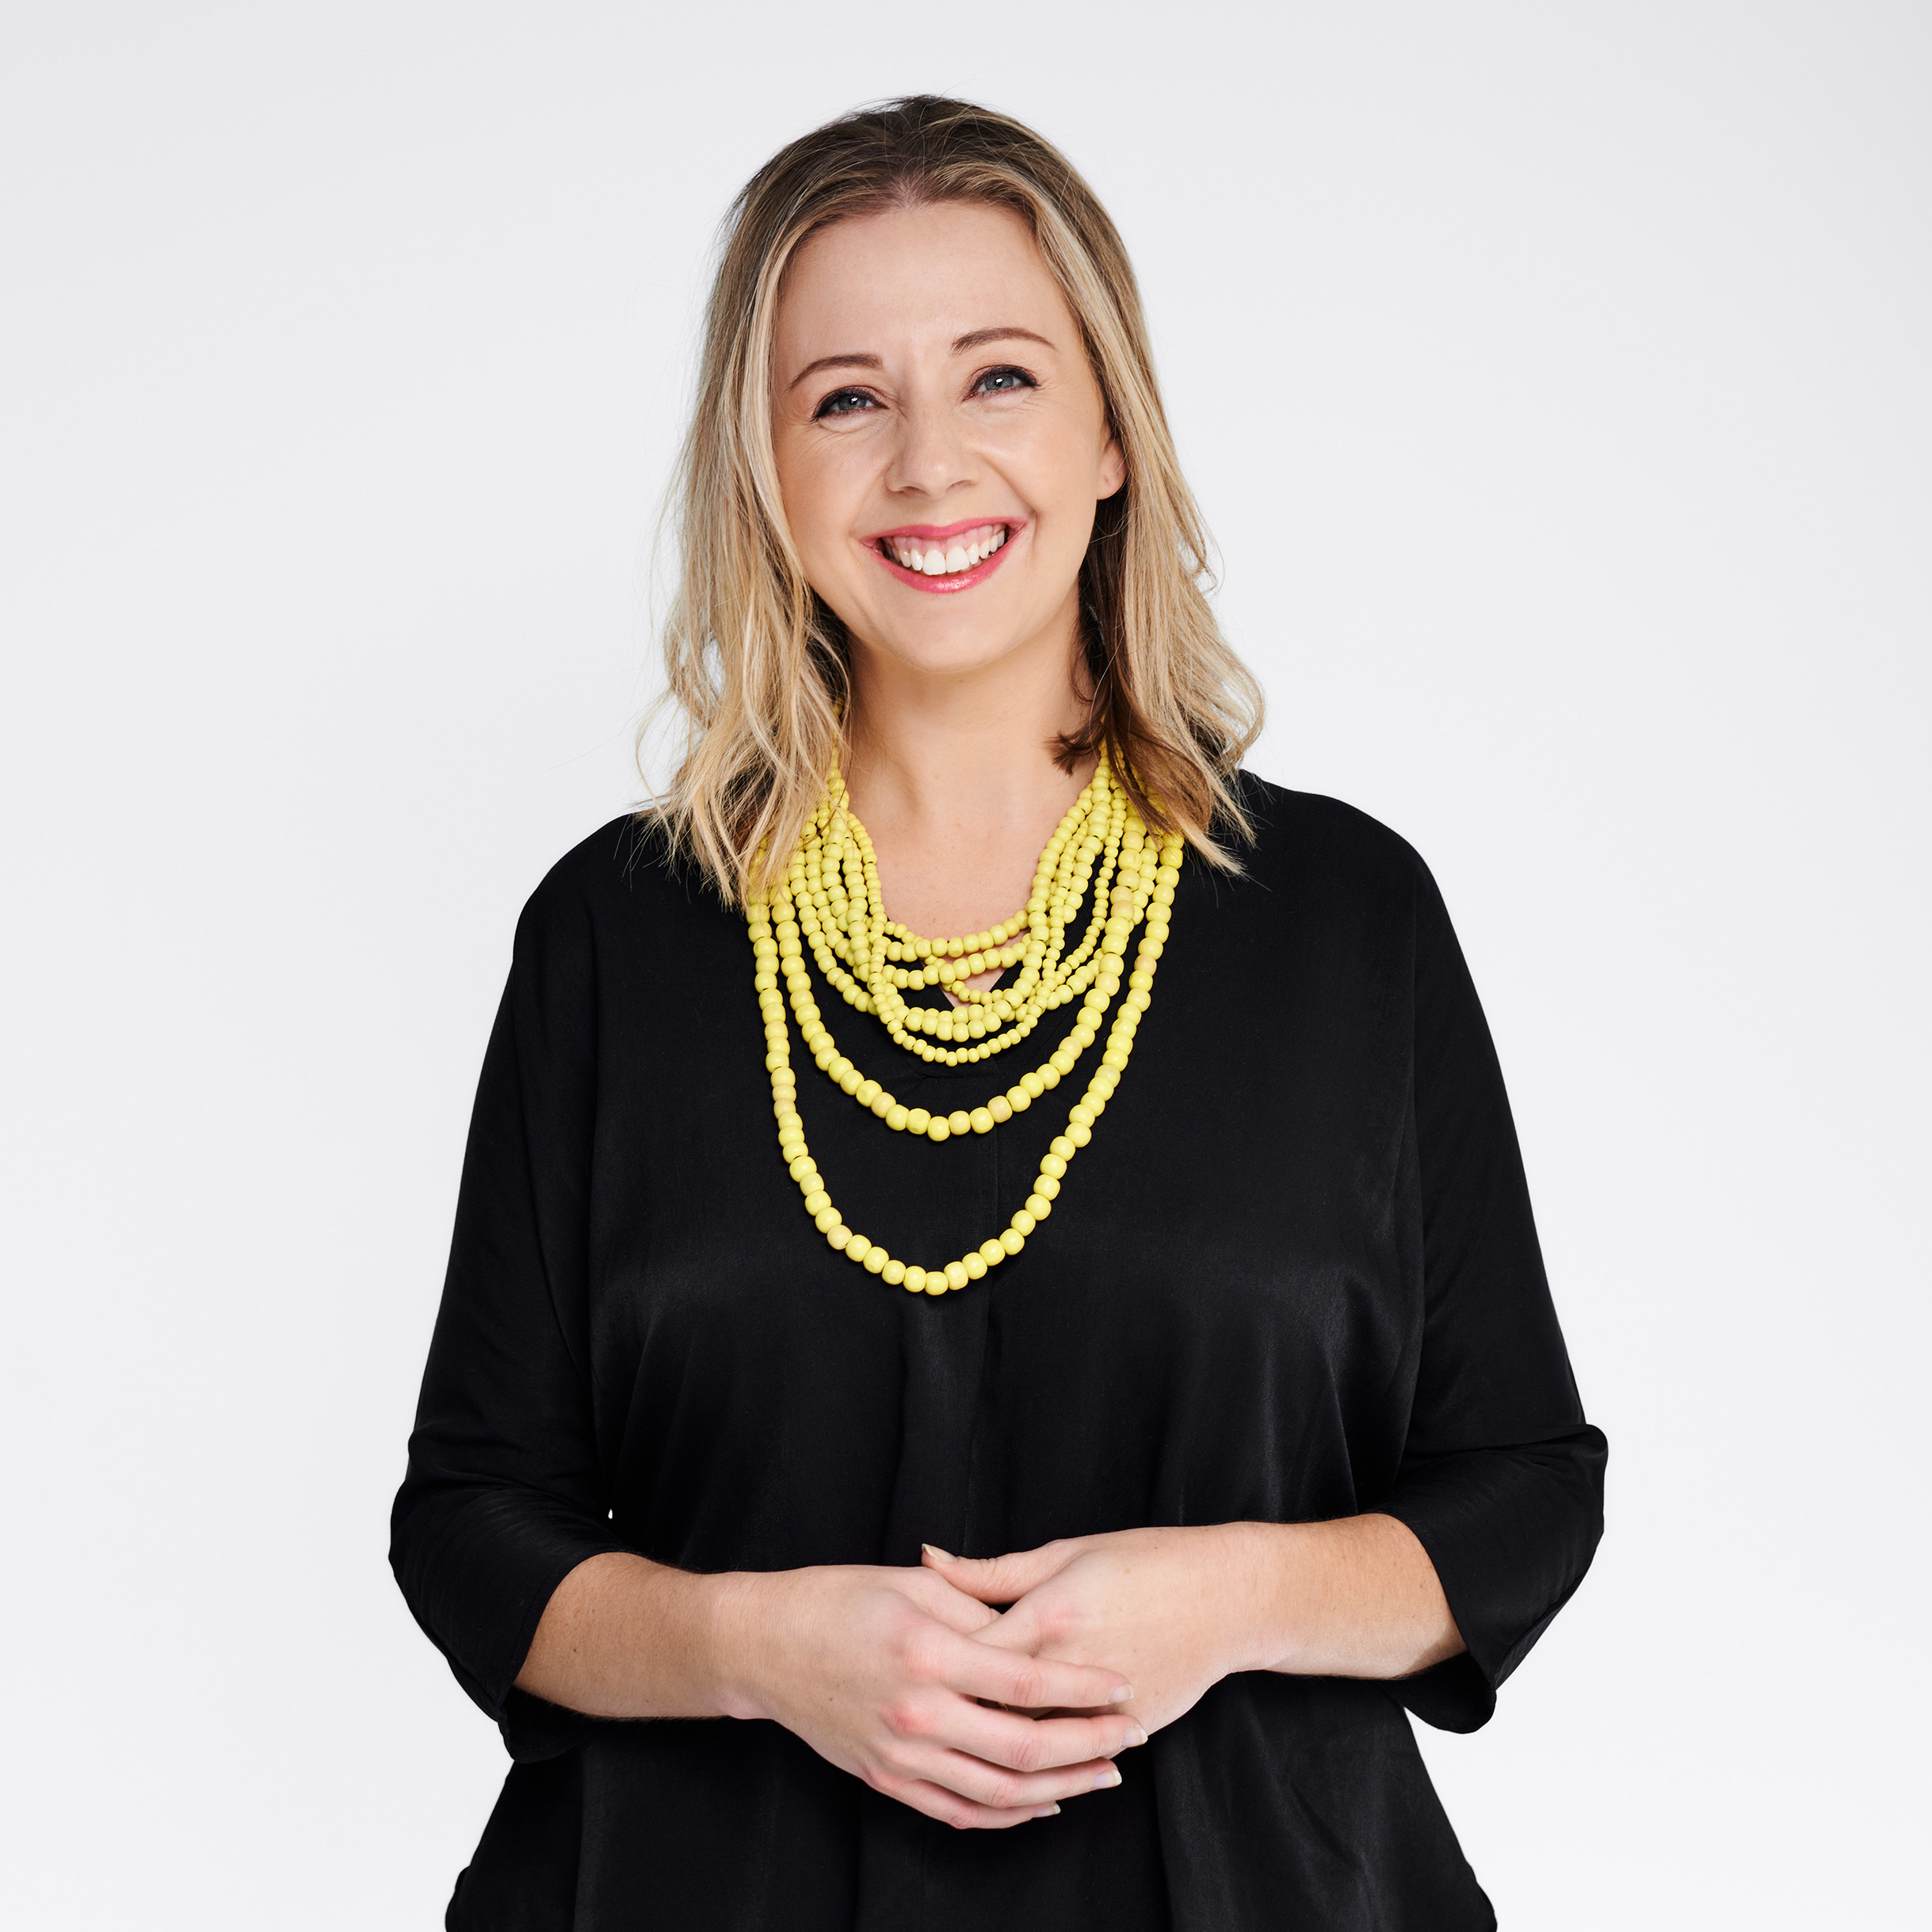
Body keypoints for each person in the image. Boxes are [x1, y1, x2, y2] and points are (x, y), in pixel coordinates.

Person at [391, 94, 1606, 1932]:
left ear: (1112, 431)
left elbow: (1520, 1488)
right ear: (766, 470)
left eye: (1002, 378)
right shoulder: (613, 937)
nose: (928, 463)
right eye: (845, 397)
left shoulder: (1344, 920)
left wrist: (1226, 1601)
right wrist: (759, 1643)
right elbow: (475, 1525)